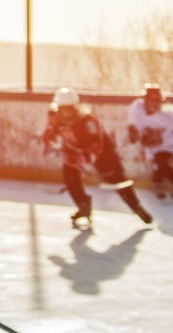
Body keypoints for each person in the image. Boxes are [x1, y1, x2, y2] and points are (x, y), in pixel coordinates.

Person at [39, 87, 153, 229]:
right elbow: (49, 132)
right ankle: (83, 205)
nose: (65, 113)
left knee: (116, 179)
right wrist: (49, 139)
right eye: (62, 109)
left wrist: (84, 156)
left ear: (75, 107)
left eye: (69, 109)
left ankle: (136, 207)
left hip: (102, 151)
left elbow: (96, 144)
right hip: (75, 150)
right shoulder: (54, 116)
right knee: (70, 175)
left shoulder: (87, 120)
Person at [126, 83, 173, 200]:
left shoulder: (166, 118)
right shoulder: (137, 109)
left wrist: (156, 139)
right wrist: (135, 133)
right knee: (164, 166)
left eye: (157, 102)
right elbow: (135, 126)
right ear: (145, 101)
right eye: (151, 101)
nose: (154, 104)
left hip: (167, 143)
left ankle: (157, 186)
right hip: (152, 146)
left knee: (160, 162)